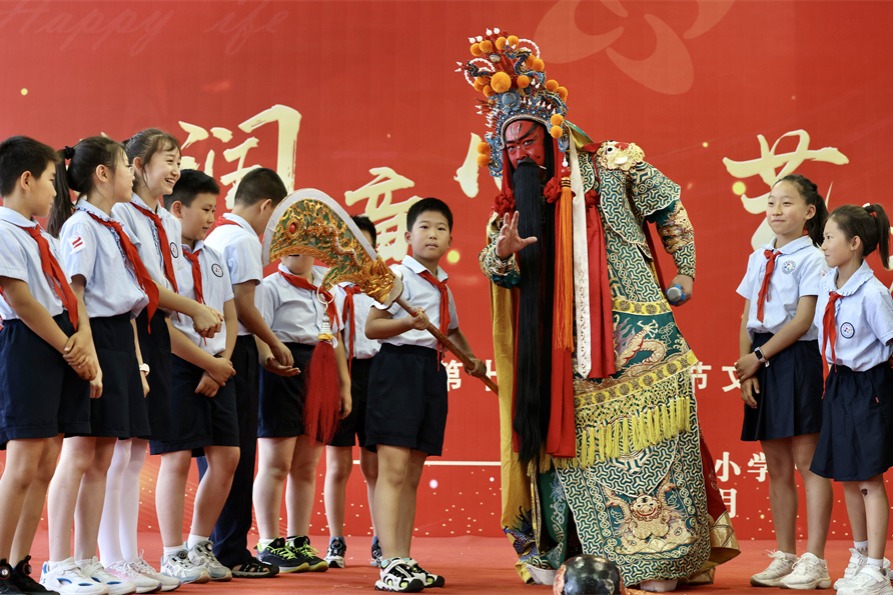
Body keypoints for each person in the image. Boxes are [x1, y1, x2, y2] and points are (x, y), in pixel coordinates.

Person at [461, 30, 738, 591]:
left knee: (655, 445)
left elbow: (668, 205)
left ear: (552, 134)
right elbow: (497, 270)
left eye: (528, 141)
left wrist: (684, 270)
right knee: (568, 457)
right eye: (509, 148)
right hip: (557, 357)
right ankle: (574, 555)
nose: (521, 155)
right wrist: (503, 255)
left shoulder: (611, 163)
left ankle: (663, 561)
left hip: (640, 338)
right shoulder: (510, 208)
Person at [98, 128, 220, 593]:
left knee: (134, 452)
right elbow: (142, 285)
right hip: (129, 329)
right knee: (118, 450)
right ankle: (111, 557)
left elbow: (169, 284)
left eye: (178, 160)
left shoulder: (167, 221)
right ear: (137, 165)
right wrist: (192, 309)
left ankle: (128, 556)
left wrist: (193, 313)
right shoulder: (121, 215)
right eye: (167, 160)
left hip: (157, 332)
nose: (174, 169)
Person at [43, 136, 152, 595]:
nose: (132, 173)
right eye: (126, 165)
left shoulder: (112, 226)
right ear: (102, 174)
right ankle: (58, 563)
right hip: (92, 340)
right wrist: (89, 357)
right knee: (79, 454)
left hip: (118, 341)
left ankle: (88, 560)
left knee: (103, 456)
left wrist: (138, 364)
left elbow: (128, 305)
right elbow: (76, 296)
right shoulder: (81, 226)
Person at [365, 197, 486, 592]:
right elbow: (372, 327)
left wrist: (471, 359)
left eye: (440, 228)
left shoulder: (443, 285)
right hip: (396, 370)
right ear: (408, 236)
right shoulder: (395, 277)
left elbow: (451, 331)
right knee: (393, 470)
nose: (432, 234)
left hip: (430, 372)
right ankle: (389, 562)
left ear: (450, 239)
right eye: (424, 227)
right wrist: (406, 323)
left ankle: (404, 557)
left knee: (413, 474)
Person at [0, 136, 98, 595]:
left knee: (45, 462)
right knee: (22, 463)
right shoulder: (4, 231)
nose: (56, 191)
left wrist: (83, 343)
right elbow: (21, 300)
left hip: (62, 341)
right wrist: (69, 347)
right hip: (30, 344)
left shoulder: (44, 237)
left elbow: (70, 296)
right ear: (26, 180)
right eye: (50, 181)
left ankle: (19, 565)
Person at [733, 175, 832, 589]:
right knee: (776, 466)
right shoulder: (759, 256)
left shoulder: (813, 257)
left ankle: (816, 560)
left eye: (786, 203)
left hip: (794, 358)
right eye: (771, 202)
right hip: (760, 359)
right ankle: (786, 556)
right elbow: (747, 316)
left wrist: (758, 357)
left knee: (808, 463)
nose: (775, 210)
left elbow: (803, 320)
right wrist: (746, 368)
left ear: (808, 212)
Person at [198, 166, 294, 578]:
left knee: (217, 455)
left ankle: (211, 545)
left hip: (211, 349)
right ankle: (232, 550)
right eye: (278, 218)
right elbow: (244, 306)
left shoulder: (215, 235)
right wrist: (274, 342)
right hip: (232, 354)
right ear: (266, 206)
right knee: (236, 454)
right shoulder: (243, 240)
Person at [153, 169, 239, 584]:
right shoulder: (161, 256)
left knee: (227, 457)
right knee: (176, 458)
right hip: (177, 364)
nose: (211, 218)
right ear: (178, 208)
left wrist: (220, 364)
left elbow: (231, 317)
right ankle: (172, 553)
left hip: (218, 365)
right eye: (205, 209)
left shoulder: (214, 257)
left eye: (214, 209)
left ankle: (199, 543)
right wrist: (206, 363)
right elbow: (160, 323)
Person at [810, 204, 893, 595]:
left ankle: (877, 568)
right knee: (847, 473)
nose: (824, 245)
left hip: (868, 385)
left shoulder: (873, 294)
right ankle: (860, 554)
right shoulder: (828, 282)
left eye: (830, 238)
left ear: (855, 243)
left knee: (869, 478)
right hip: (839, 382)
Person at [253, 252, 351, 573]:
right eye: (290, 243)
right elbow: (258, 331)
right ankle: (269, 542)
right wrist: (270, 361)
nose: (298, 249)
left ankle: (298, 541)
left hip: (321, 371)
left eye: (305, 241)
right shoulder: (270, 287)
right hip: (282, 370)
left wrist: (343, 385)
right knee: (276, 464)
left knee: (307, 466)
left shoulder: (330, 287)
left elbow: (336, 338)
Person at [324, 215, 382, 569]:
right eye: (350, 245)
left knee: (375, 467)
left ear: (375, 249)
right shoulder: (332, 291)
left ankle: (381, 540)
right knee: (338, 466)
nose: (357, 252)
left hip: (377, 378)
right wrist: (342, 385)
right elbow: (331, 340)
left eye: (364, 246)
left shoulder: (384, 292)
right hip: (341, 376)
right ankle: (336, 540)